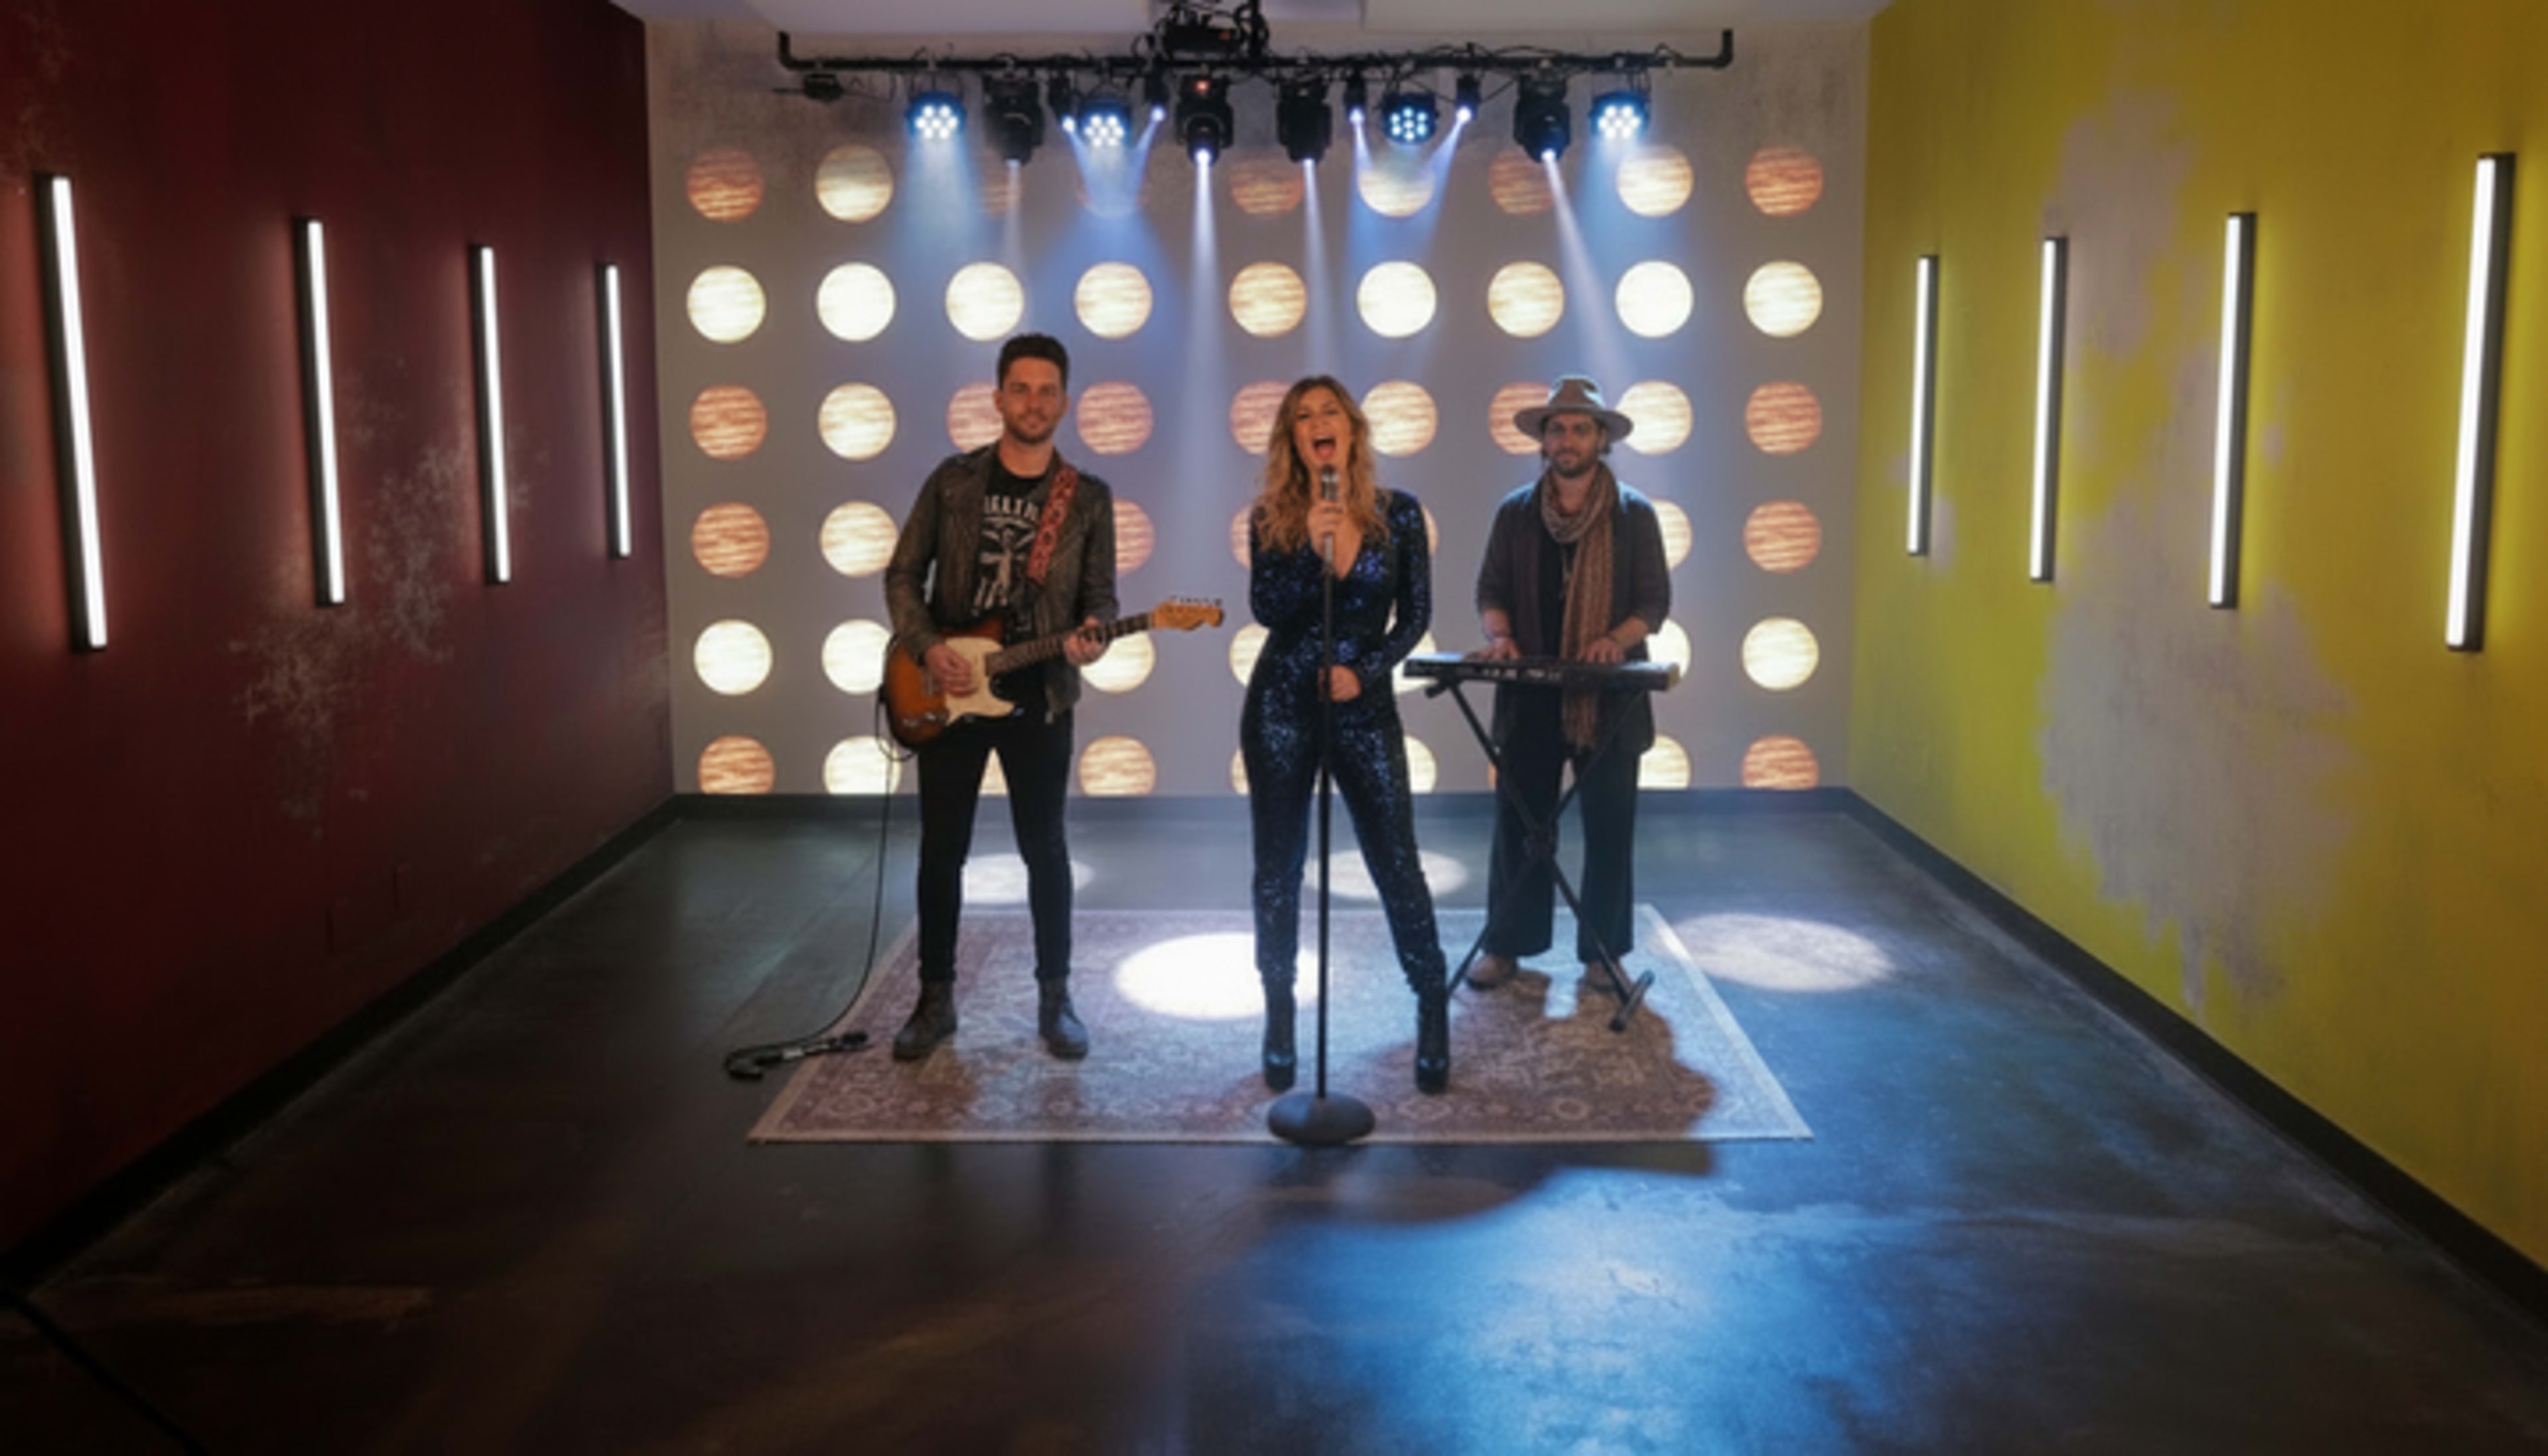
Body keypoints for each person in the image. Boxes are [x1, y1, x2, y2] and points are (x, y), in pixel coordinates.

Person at [883, 334, 1116, 1061]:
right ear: (998, 397)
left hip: (1039, 695)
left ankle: (1056, 997)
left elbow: (1101, 600)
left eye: (1048, 390)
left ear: (1065, 403)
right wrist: (929, 649)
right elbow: (901, 575)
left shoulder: (1088, 499)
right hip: (950, 693)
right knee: (941, 849)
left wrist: (1093, 637)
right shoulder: (951, 482)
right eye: (1021, 388)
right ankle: (935, 997)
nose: (1034, 402)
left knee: (1044, 849)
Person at [1241, 375, 1451, 1094]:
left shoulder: (1399, 515)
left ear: (1352, 429)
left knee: (1397, 860)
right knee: (1278, 867)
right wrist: (1312, 549)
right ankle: (1278, 1014)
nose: (1317, 423)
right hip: (1281, 704)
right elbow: (1268, 607)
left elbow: (1415, 616)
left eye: (1328, 411)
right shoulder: (1272, 515)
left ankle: (1431, 1005)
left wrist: (1366, 670)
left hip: (1362, 705)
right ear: (1292, 440)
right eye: (1302, 417)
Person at [1468, 376, 1671, 993]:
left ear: (1600, 438)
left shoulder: (1634, 515)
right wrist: (1499, 635)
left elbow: (1654, 602)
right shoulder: (1516, 512)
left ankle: (1601, 953)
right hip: (1530, 695)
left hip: (1607, 700)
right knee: (1520, 824)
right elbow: (1491, 591)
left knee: (1609, 826)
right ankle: (1507, 946)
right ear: (1543, 440)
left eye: (1580, 428)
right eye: (1557, 428)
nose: (1567, 438)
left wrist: (1616, 637)